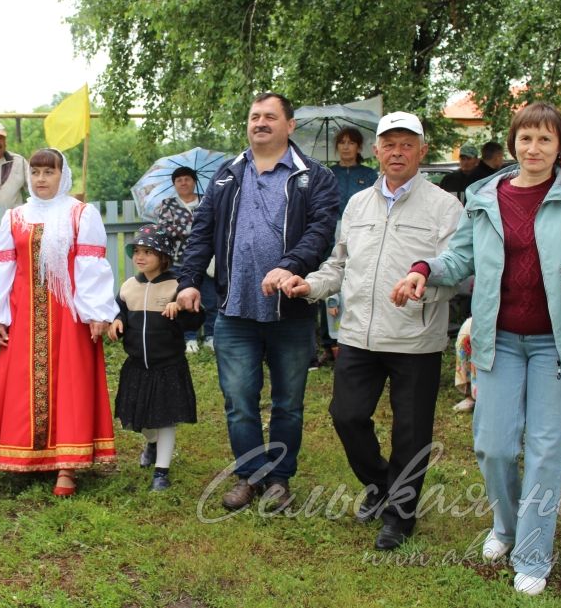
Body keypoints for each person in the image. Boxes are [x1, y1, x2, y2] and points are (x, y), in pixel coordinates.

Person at [391, 102, 561, 595]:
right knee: (493, 446)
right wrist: (423, 270)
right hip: (499, 340)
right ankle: (506, 526)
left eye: (544, 139)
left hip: (559, 344)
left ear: (560, 146)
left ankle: (533, 555)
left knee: (545, 450)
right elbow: (459, 257)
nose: (533, 148)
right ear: (513, 143)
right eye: (525, 139)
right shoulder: (484, 196)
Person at [281, 111, 463, 550]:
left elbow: (456, 274)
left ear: (421, 151)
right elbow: (339, 264)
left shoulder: (444, 206)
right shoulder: (358, 204)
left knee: (411, 431)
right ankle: (381, 484)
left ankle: (400, 517)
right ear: (376, 151)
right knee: (346, 416)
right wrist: (311, 285)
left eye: (407, 144)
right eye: (389, 144)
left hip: (414, 338)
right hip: (359, 333)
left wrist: (424, 290)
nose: (397, 152)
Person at [176, 92, 339, 511]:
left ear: (290, 125)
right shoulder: (228, 175)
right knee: (238, 401)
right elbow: (202, 233)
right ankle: (250, 475)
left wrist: (289, 265)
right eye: (254, 117)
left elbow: (320, 232)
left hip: (291, 311)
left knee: (288, 402)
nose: (260, 123)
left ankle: (280, 479)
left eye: (270, 116)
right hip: (234, 310)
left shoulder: (314, 176)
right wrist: (190, 281)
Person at [0, 148, 118, 496]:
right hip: (25, 316)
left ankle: (67, 466)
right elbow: (4, 267)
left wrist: (96, 313)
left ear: (62, 176)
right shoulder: (15, 217)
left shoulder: (80, 214)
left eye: (49, 172)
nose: (41, 179)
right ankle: (26, 455)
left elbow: (91, 267)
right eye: (35, 173)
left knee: (71, 386)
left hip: (69, 316)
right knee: (22, 385)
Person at [109, 224, 203, 491]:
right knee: (142, 421)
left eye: (148, 251)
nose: (140, 256)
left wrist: (181, 308)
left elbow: (196, 319)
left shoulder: (177, 286)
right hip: (137, 366)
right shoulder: (129, 286)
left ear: (163, 257)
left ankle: (161, 473)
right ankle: (151, 443)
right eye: (137, 251)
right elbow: (120, 311)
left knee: (166, 419)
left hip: (168, 366)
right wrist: (116, 320)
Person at [321, 126, 379, 366]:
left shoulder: (369, 174)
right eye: (342, 142)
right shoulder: (327, 174)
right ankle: (328, 343)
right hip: (330, 231)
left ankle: (355, 339)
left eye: (351, 142)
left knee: (357, 282)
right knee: (329, 283)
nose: (346, 146)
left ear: (358, 147)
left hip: (361, 231)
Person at [154, 166, 216, 352]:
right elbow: (166, 229)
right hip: (180, 261)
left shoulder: (207, 200)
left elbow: (216, 223)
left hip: (208, 259)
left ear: (194, 181)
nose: (183, 183)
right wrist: (198, 229)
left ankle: (210, 336)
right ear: (174, 184)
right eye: (179, 180)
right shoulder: (168, 204)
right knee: (185, 300)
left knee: (212, 300)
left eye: (187, 179)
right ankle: (189, 338)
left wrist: (192, 229)